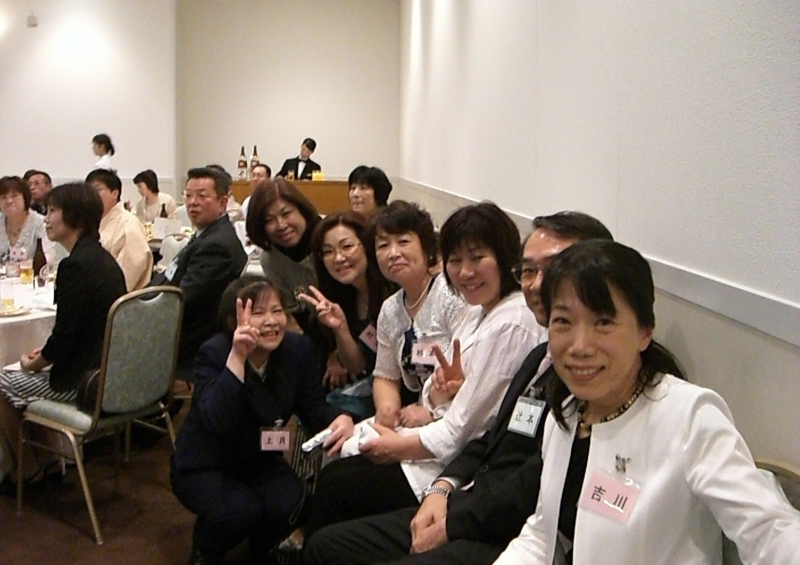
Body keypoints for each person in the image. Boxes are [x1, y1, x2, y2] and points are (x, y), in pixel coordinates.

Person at [303, 212, 615, 565]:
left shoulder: (514, 325)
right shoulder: (529, 349)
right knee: (332, 497)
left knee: (339, 490)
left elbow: (494, 450)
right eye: (530, 270)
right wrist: (443, 478)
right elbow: (487, 431)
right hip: (470, 482)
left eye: (403, 242)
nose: (393, 253)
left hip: (488, 505)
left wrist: (447, 506)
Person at [493, 239, 800, 564]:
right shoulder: (568, 413)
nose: (580, 346)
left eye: (603, 322)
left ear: (644, 332)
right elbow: (544, 531)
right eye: (563, 322)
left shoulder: (689, 417)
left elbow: (769, 529)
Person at [171, 276, 355, 565]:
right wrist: (237, 357)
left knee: (292, 504)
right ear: (233, 321)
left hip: (260, 458)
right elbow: (217, 420)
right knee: (240, 512)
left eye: (277, 311)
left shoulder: (296, 350)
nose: (271, 321)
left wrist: (340, 418)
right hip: (207, 463)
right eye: (257, 313)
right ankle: (206, 549)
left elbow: (313, 406)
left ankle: (259, 551)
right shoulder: (215, 352)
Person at [0, 183, 126, 482]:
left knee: (3, 381)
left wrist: (38, 362)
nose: (46, 219)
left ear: (76, 218)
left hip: (83, 382)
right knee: (23, 377)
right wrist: (45, 355)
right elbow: (74, 332)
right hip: (109, 372)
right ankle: (49, 461)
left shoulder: (75, 267)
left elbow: (64, 338)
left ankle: (26, 471)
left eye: (53, 211)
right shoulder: (102, 259)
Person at [150, 166, 248, 380]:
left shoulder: (217, 246)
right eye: (188, 195)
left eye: (202, 196)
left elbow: (183, 298)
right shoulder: (207, 234)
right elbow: (171, 275)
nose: (192, 202)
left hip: (189, 338)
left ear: (223, 203)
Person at [299, 211, 397, 419]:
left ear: (367, 245)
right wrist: (340, 328)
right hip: (376, 384)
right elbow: (357, 365)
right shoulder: (346, 295)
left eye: (347, 246)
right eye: (328, 251)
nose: (338, 258)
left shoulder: (393, 289)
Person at [246, 177, 322, 336]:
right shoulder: (271, 260)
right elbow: (298, 313)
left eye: (286, 213)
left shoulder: (328, 238)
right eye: (269, 220)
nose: (281, 225)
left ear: (301, 209)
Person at [86, 168, 153, 292]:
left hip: (120, 299)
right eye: (88, 191)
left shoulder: (128, 225)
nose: (91, 196)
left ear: (115, 194)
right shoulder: (92, 223)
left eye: (97, 190)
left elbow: (126, 277)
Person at [0, 176, 56, 267]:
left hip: (32, 275)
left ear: (25, 198)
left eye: (14, 196)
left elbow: (49, 259)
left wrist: (24, 266)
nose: (9, 201)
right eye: (3, 197)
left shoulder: (41, 223)